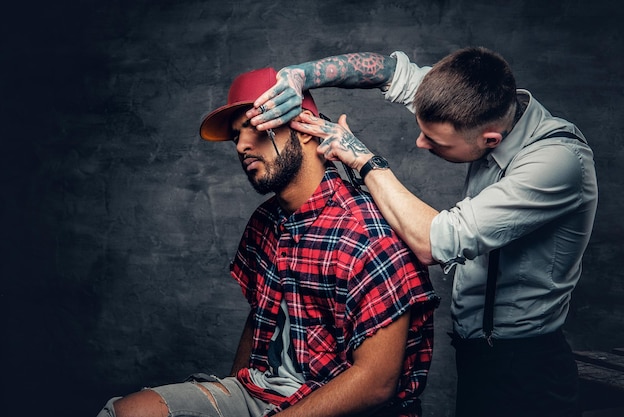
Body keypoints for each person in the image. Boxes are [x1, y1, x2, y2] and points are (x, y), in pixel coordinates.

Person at [247, 47, 598, 417]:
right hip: (475, 354)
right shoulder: (465, 98)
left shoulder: (558, 163)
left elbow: (435, 241)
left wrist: (365, 161)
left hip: (528, 365)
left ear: (491, 140)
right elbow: (386, 70)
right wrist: (300, 75)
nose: (420, 143)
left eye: (436, 142)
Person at [96, 67, 438, 417]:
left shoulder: (367, 233)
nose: (242, 146)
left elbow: (377, 382)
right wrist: (228, 394)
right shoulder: (265, 221)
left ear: (304, 129)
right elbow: (262, 314)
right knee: (126, 412)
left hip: (339, 406)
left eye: (256, 126)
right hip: (264, 392)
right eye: (236, 136)